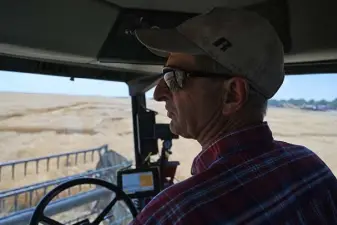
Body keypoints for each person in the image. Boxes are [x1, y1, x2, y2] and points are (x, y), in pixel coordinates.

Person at [128, 7, 337, 225]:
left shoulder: (174, 214)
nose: (158, 94)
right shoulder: (311, 167)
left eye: (174, 77)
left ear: (232, 94)